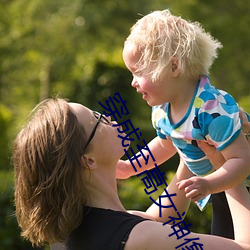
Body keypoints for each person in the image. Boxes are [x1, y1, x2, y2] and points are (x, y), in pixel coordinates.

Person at [13, 98, 250, 250]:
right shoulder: (137, 238)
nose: (110, 118)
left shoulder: (79, 231)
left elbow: (159, 219)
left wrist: (190, 137)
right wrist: (226, 165)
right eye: (98, 120)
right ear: (88, 160)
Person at [119, 9, 250, 239]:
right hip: (219, 189)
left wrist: (209, 184)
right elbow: (166, 144)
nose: (133, 82)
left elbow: (242, 160)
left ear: (173, 67)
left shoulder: (210, 109)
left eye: (138, 72)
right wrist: (130, 167)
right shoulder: (162, 110)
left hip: (239, 186)